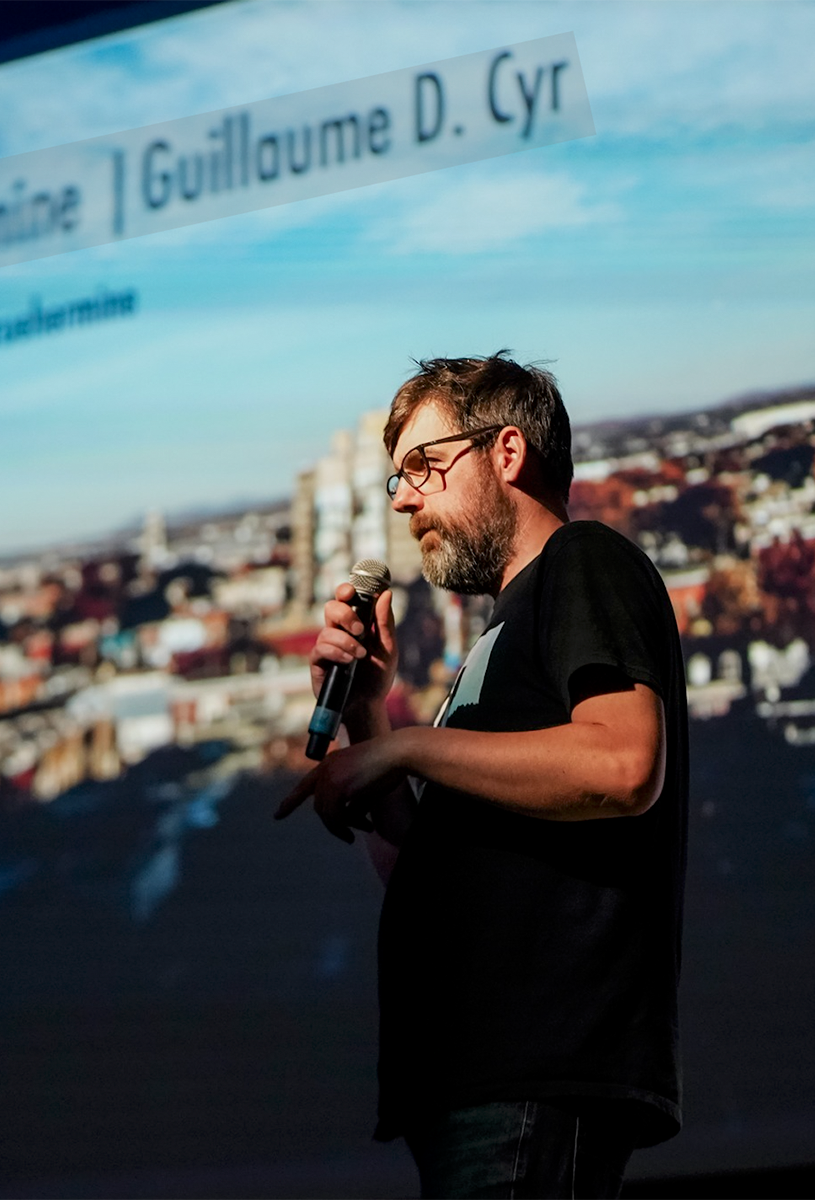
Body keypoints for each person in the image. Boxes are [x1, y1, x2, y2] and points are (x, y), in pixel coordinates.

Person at [275, 352, 689, 1199]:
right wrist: (370, 714)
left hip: (533, 1074)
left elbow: (621, 762)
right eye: (396, 478)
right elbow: (420, 871)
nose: (403, 498)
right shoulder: (496, 643)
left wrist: (404, 749)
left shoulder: (581, 562)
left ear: (507, 453)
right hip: (474, 1086)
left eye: (424, 466)